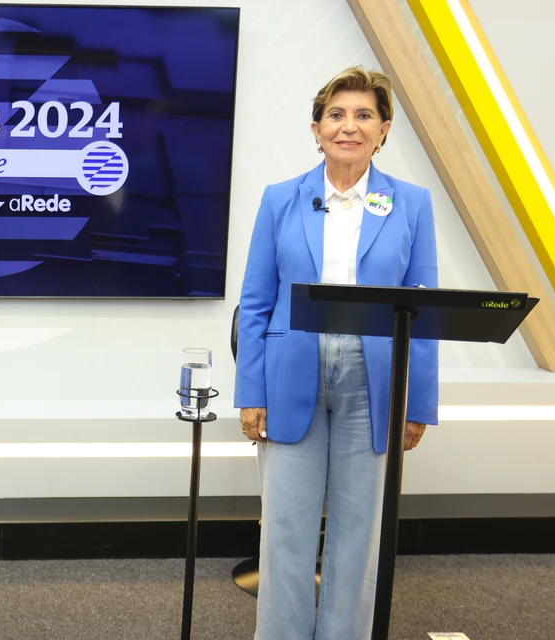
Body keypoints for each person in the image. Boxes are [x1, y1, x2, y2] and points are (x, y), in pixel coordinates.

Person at [234, 66, 437, 639]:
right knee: (286, 533)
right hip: (290, 375)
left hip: (373, 382)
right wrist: (250, 391)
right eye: (337, 115)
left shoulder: (412, 205)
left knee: (357, 534)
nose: (349, 126)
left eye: (364, 115)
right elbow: (254, 303)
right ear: (317, 129)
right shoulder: (280, 200)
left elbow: (422, 310)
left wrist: (416, 402)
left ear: (384, 129)